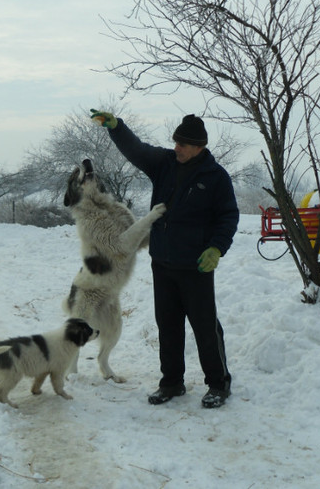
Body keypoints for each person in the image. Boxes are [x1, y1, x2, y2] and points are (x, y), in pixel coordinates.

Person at [90, 109, 239, 408]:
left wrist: (216, 248)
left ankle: (219, 384)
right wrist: (117, 128)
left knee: (205, 326)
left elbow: (228, 216)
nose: (177, 148)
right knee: (167, 325)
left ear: (199, 146)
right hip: (163, 262)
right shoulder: (165, 164)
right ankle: (171, 382)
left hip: (195, 266)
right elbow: (137, 150)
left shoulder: (215, 177)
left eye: (183, 144)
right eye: (175, 143)